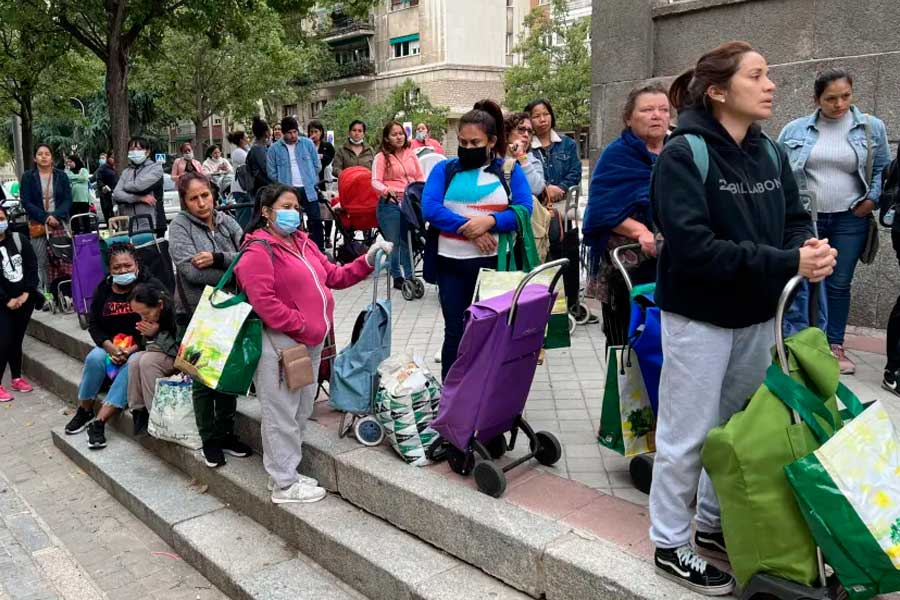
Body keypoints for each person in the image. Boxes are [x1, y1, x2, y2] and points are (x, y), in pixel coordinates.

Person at [647, 42, 835, 595]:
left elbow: (795, 219)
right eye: (757, 75)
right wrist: (786, 261)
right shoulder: (685, 155)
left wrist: (810, 251)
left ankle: (710, 524)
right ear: (718, 91)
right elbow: (696, 249)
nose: (770, 84)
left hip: (758, 317)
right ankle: (668, 543)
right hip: (699, 319)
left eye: (768, 73)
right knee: (686, 435)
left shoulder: (770, 153)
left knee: (734, 431)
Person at [234, 185, 392, 503]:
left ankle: (285, 472)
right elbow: (264, 303)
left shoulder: (302, 243)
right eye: (286, 206)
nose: (294, 212)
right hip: (282, 345)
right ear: (266, 211)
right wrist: (302, 325)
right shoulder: (257, 251)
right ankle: (284, 484)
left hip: (308, 343)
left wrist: (368, 260)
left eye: (296, 206)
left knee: (300, 409)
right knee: (281, 414)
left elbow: (333, 275)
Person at [778, 69, 891, 374]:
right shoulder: (794, 130)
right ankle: (802, 341)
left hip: (850, 218)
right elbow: (779, 171)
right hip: (806, 218)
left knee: (839, 282)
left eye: (845, 96)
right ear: (817, 99)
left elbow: (883, 168)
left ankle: (834, 344)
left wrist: (871, 201)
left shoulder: (870, 127)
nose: (839, 104)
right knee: (806, 280)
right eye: (831, 98)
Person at [422, 100, 533, 379]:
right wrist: (469, 228)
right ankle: (452, 397)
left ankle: (489, 394)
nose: (468, 148)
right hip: (451, 266)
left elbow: (523, 209)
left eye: (475, 142)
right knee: (455, 333)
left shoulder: (508, 170)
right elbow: (431, 208)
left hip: (495, 267)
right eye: (463, 142)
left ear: (492, 141)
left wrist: (491, 221)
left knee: (493, 331)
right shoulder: (444, 170)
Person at [169, 172, 251, 467]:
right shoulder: (179, 227)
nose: (202, 203)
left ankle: (227, 433)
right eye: (194, 198)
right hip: (195, 312)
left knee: (229, 375)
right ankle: (209, 440)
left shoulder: (225, 220)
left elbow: (250, 254)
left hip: (232, 308)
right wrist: (234, 264)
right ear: (185, 201)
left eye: (205, 195)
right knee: (203, 379)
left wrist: (217, 258)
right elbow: (191, 272)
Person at [583, 82, 671, 346]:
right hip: (628, 266)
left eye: (664, 109)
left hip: (675, 264)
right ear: (628, 118)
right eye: (647, 110)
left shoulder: (679, 151)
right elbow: (600, 209)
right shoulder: (617, 155)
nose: (657, 115)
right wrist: (640, 231)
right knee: (626, 341)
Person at [64, 243, 166, 449]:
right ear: (109, 269)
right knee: (94, 357)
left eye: (127, 265)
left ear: (136, 264)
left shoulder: (151, 287)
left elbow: (160, 322)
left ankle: (100, 422)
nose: (122, 271)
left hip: (142, 347)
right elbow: (94, 324)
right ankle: (84, 410)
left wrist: (132, 349)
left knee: (132, 366)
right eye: (116, 267)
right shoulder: (104, 288)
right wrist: (109, 346)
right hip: (112, 346)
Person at [372, 121, 425, 289]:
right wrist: (385, 189)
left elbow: (420, 176)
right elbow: (375, 181)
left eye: (401, 133)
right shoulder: (381, 157)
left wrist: (421, 190)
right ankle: (396, 275)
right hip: (390, 203)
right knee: (394, 241)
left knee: (407, 240)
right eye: (394, 134)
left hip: (409, 203)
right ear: (387, 138)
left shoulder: (411, 154)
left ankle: (410, 275)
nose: (398, 137)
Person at [19, 144, 72, 293]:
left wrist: (55, 216)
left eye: (47, 154)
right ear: (35, 158)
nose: (43, 156)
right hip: (38, 223)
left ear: (52, 157)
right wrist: (46, 218)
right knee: (40, 260)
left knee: (63, 258)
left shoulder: (61, 175)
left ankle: (65, 291)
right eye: (40, 154)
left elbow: (68, 199)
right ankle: (44, 293)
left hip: (60, 223)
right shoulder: (28, 177)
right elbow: (26, 202)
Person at [127, 282, 178, 434]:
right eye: (140, 315)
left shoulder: (176, 312)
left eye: (146, 313)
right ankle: (138, 411)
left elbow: (181, 350)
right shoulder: (150, 317)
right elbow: (145, 346)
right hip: (161, 354)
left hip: (181, 358)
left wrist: (156, 334)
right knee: (135, 360)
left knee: (147, 362)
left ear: (160, 305)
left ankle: (156, 414)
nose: (143, 318)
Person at [266, 116, 324, 251]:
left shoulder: (307, 144)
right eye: (289, 133)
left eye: (295, 132)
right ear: (283, 133)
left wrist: (310, 179)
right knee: (292, 223)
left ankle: (318, 249)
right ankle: (296, 250)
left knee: (315, 220)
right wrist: (282, 184)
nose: (293, 135)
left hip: (308, 188)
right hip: (288, 191)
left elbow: (317, 165)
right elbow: (271, 172)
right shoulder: (274, 149)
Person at [0, 204, 38, 402]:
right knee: (4, 340)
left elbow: (32, 268)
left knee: (16, 340)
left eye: (1, 218)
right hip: (2, 304)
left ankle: (16, 378)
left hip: (24, 301)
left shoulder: (19, 239)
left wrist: (26, 294)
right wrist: (7, 300)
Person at [526, 99, 582, 205]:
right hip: (536, 205)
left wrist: (560, 189)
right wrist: (545, 191)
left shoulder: (568, 144)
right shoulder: (525, 148)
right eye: (536, 116)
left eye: (546, 114)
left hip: (563, 202)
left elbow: (575, 173)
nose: (542, 119)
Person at [113, 137, 166, 236]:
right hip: (132, 225)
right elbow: (116, 194)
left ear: (147, 152)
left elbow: (139, 186)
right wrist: (139, 198)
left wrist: (125, 186)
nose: (135, 151)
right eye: (132, 149)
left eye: (139, 149)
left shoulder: (156, 168)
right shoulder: (126, 172)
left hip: (153, 224)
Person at [503, 112, 545, 196]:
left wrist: (521, 157)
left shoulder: (533, 161)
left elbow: (536, 189)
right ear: (507, 133)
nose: (526, 134)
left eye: (529, 131)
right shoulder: (495, 159)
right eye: (521, 129)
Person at [246, 117, 273, 200]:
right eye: (269, 129)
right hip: (261, 191)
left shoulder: (260, 147)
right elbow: (266, 170)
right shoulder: (258, 149)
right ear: (266, 133)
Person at [307, 120, 335, 191]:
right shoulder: (306, 146)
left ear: (321, 132)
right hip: (310, 178)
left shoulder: (327, 146)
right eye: (311, 132)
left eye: (316, 131)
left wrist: (321, 156)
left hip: (324, 179)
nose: (314, 134)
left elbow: (331, 159)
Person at [92, 153, 119, 223]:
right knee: (108, 213)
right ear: (108, 158)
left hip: (117, 193)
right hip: (106, 195)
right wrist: (103, 186)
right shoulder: (102, 168)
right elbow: (98, 179)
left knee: (116, 213)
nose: (113, 159)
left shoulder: (117, 167)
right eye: (112, 157)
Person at [227, 131, 251, 205]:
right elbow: (251, 161)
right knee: (243, 213)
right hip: (240, 187)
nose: (248, 139)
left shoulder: (244, 150)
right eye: (246, 137)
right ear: (241, 140)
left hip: (244, 187)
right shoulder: (238, 152)